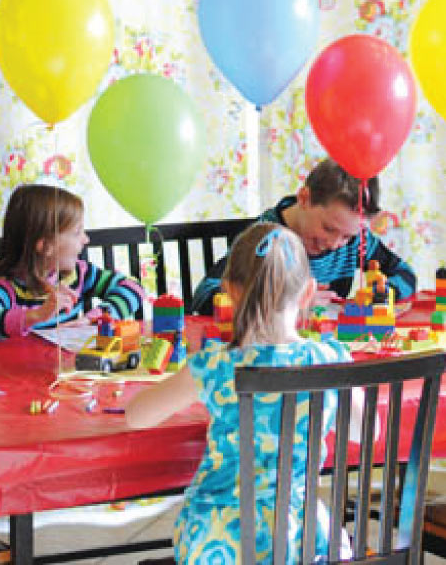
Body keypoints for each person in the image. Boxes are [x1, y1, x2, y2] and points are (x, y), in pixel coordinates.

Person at [126, 223, 364, 563]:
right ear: (308, 292)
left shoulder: (215, 366)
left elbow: (137, 416)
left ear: (229, 291)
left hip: (221, 537)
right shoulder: (332, 359)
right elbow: (361, 430)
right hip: (303, 536)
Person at [191, 158, 416, 314]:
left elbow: (406, 275)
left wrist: (380, 294)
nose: (335, 244)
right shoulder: (265, 239)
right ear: (304, 198)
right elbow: (204, 296)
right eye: (328, 229)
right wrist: (282, 303)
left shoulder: (355, 242)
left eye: (347, 236)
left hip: (329, 355)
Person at [0, 184, 144, 341]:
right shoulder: (8, 289)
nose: (86, 239)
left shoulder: (80, 275)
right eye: (77, 232)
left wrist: (93, 318)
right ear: (46, 246)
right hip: (25, 376)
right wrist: (34, 316)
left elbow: (134, 288)